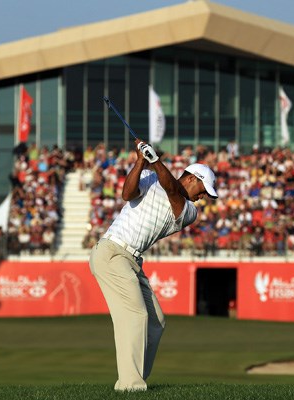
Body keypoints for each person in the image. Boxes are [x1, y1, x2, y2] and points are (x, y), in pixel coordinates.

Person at [89, 139, 218, 391]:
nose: (203, 197)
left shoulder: (189, 211)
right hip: (112, 253)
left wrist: (156, 160)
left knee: (156, 321)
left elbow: (172, 191)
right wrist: (140, 161)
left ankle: (135, 379)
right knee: (136, 315)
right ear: (191, 178)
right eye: (203, 190)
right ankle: (131, 385)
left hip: (132, 260)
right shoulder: (148, 177)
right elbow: (127, 194)